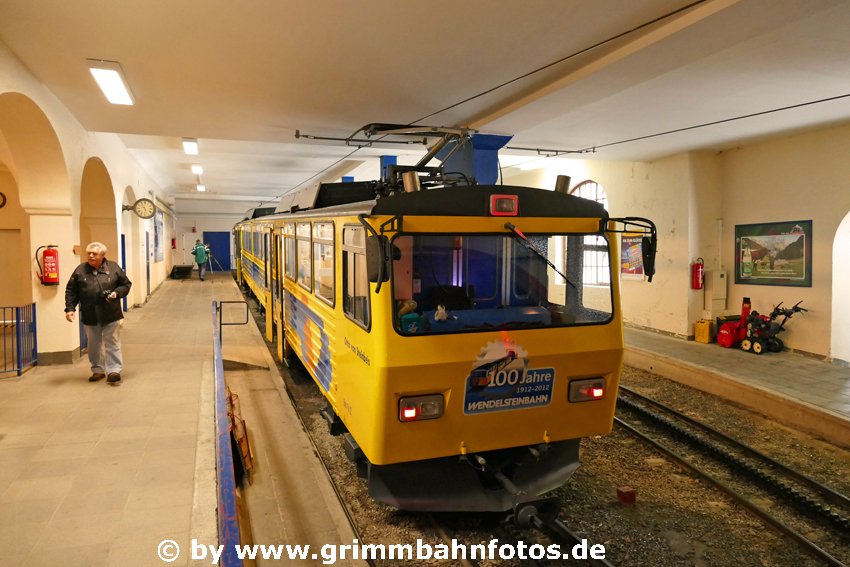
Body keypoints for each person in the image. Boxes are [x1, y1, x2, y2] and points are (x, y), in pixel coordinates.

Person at [64, 242, 132, 385]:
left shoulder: (113, 268)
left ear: (102, 255)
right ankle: (98, 370)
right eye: (89, 253)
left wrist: (116, 293)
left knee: (112, 342)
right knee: (93, 345)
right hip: (90, 314)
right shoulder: (80, 270)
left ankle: (114, 370)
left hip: (110, 313)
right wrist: (70, 309)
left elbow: (126, 284)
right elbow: (71, 291)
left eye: (94, 254)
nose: (90, 256)